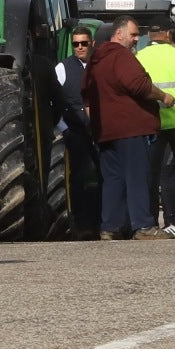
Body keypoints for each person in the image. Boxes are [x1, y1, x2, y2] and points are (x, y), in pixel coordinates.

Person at [84, 17, 171, 238]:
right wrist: (163, 96)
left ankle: (110, 227)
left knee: (113, 179)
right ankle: (143, 226)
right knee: (137, 177)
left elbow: (85, 93)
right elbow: (139, 85)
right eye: (133, 34)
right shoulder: (120, 56)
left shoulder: (96, 60)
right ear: (119, 34)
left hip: (106, 131)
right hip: (131, 128)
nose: (136, 39)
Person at [136, 22, 175, 237]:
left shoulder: (140, 56)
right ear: (169, 34)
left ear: (149, 35)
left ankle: (150, 222)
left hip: (153, 123)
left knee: (151, 175)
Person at [57, 26, 102, 239]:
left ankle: (104, 222)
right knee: (81, 179)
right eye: (76, 44)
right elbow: (53, 101)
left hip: (102, 132)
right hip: (76, 133)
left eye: (84, 43)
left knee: (105, 177)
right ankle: (82, 224)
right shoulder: (63, 68)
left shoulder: (101, 65)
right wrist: (64, 130)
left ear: (92, 43)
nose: (80, 47)